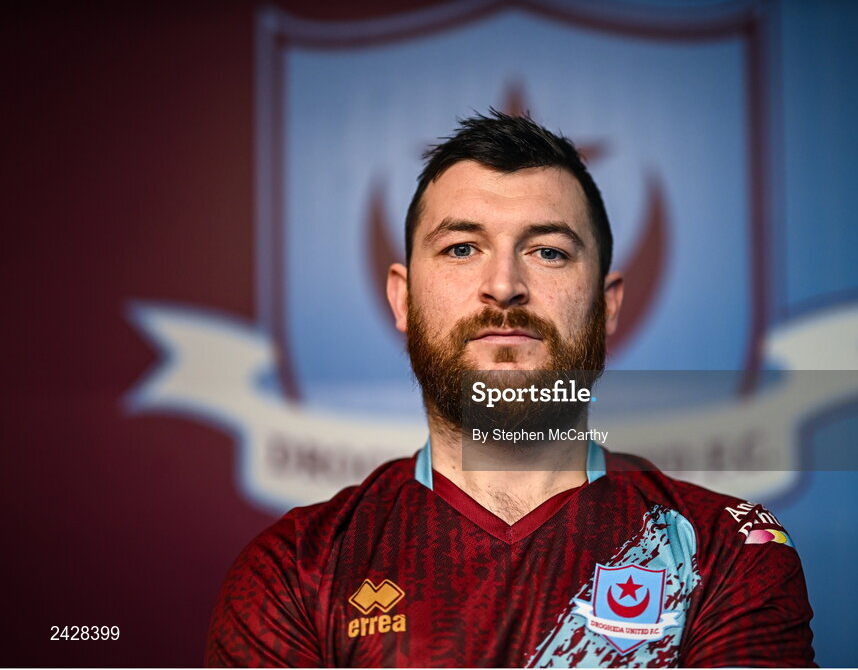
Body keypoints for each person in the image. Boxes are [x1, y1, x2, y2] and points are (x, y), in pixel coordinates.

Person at [205, 111, 815, 667]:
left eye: (548, 251)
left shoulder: (725, 548)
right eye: (462, 248)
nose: (503, 285)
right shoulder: (295, 569)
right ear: (403, 298)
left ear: (606, 306)